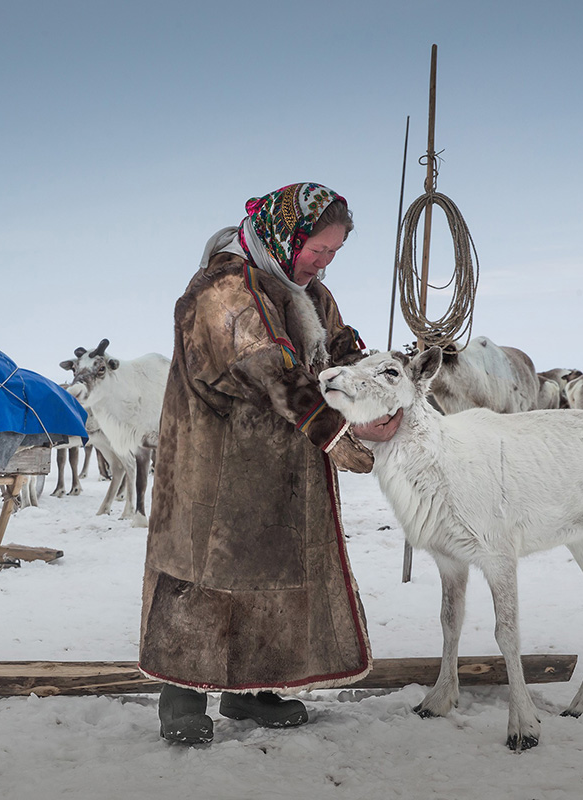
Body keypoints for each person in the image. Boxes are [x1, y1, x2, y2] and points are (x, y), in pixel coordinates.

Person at [137, 182, 401, 745]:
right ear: (287, 236)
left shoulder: (307, 293)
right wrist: (336, 433)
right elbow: (267, 367)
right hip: (215, 460)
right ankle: (181, 695)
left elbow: (340, 352)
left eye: (333, 253)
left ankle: (250, 689)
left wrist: (385, 381)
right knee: (205, 571)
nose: (323, 262)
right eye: (318, 249)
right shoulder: (224, 289)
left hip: (280, 463)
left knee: (272, 570)